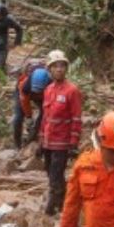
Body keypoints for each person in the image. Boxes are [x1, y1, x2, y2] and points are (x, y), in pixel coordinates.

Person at [38, 51, 82, 215]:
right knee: (50, 172)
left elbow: (76, 118)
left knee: (56, 174)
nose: (59, 69)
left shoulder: (72, 91)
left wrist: (74, 143)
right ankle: (62, 203)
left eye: (62, 66)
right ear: (49, 69)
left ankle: (54, 207)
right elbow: (45, 117)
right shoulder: (48, 90)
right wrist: (40, 140)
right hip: (49, 140)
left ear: (66, 68)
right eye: (55, 66)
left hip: (62, 142)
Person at [12, 59, 50, 150]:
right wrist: (29, 116)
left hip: (44, 95)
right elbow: (24, 102)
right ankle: (17, 143)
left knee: (44, 115)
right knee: (17, 118)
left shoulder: (51, 83)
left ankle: (34, 137)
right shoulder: (24, 85)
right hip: (26, 92)